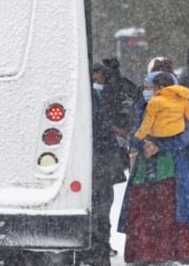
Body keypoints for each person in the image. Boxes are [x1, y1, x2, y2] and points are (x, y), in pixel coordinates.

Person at [118, 72, 189, 265]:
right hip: (145, 172)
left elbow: (186, 136)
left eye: (148, 87)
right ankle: (144, 255)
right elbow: (135, 133)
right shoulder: (144, 106)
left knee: (167, 213)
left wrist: (158, 146)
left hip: (173, 170)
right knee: (144, 212)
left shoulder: (180, 105)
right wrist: (144, 144)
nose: (146, 91)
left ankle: (168, 255)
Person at [79, 63, 125, 266]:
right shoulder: (95, 97)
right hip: (99, 158)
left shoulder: (95, 95)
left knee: (98, 205)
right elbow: (102, 125)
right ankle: (97, 249)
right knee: (100, 206)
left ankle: (94, 248)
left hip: (96, 158)